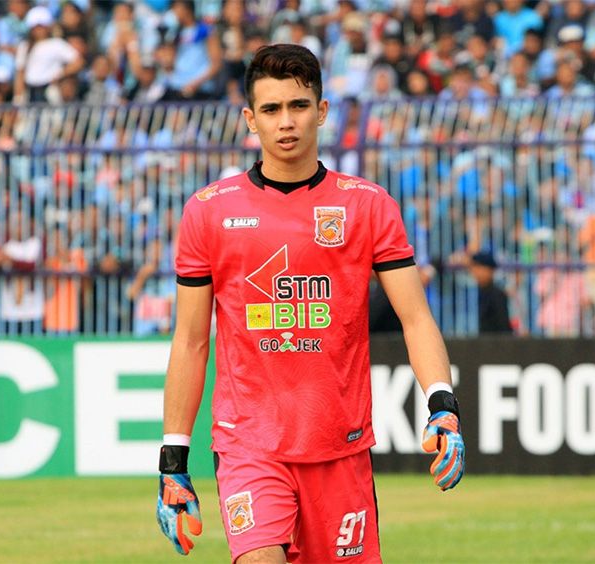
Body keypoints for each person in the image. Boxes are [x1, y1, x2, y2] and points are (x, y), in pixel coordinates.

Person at [156, 44, 465, 563]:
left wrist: (443, 405)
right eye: (271, 110)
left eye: (298, 106)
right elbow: (190, 340)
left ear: (321, 111)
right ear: (249, 120)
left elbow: (416, 318)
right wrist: (173, 460)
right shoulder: (208, 212)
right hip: (248, 446)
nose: (286, 122)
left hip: (339, 448)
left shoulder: (368, 205)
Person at [468, 250, 514, 334]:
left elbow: (504, 327)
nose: (475, 271)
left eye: (479, 267)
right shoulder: (479, 292)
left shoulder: (497, 295)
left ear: (490, 270)